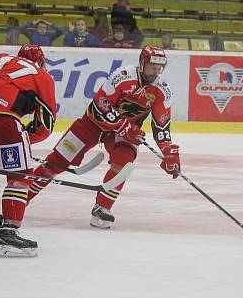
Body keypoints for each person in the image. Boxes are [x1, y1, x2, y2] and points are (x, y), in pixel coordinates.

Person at [26, 46, 180, 228]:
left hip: (123, 132)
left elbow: (161, 126)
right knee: (57, 161)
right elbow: (100, 105)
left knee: (124, 164)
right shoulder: (122, 76)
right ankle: (23, 195)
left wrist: (168, 151)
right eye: (152, 67)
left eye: (159, 68)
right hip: (92, 123)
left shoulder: (162, 90)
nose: (156, 72)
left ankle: (102, 208)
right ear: (142, 63)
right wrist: (123, 124)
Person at [0, 45, 57, 255]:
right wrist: (24, 141)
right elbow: (46, 124)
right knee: (20, 175)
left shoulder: (0, 59)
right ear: (42, 63)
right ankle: (9, 233)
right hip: (3, 118)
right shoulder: (42, 75)